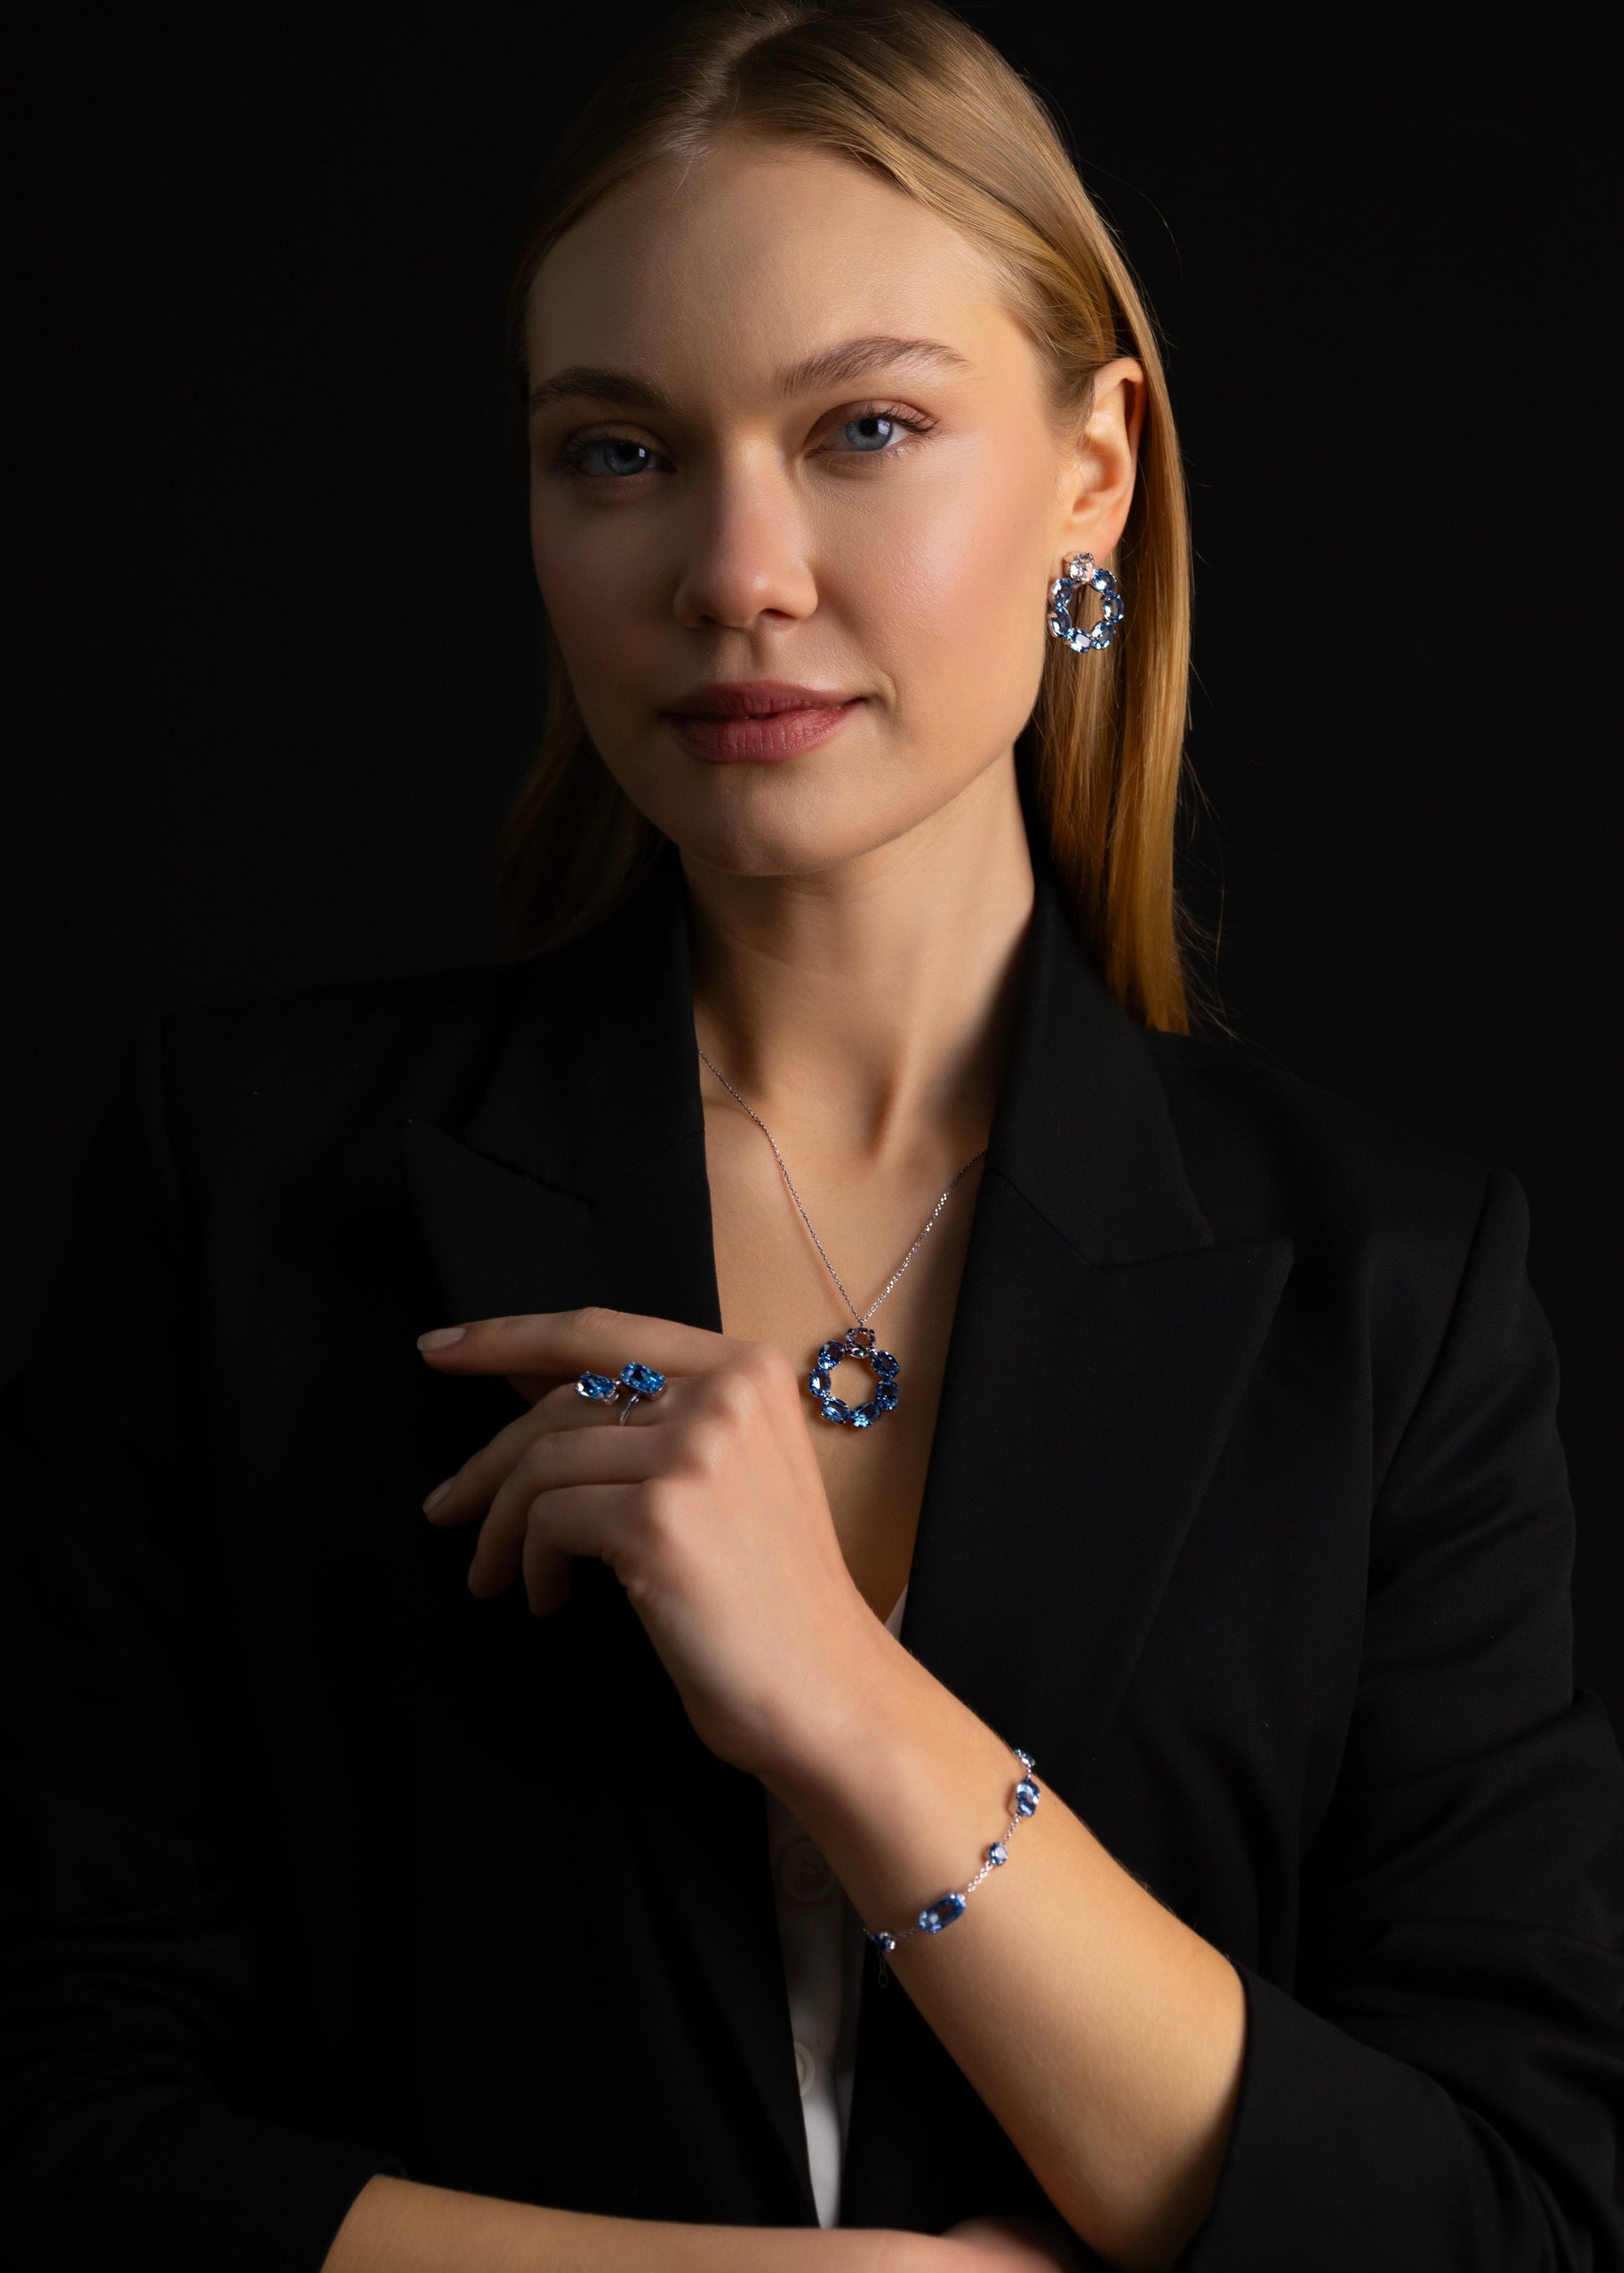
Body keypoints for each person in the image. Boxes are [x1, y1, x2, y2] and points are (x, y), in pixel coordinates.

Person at [3, 2, 1621, 2267]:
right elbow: (59, 2137)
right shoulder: (250, 1187)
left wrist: (847, 1703)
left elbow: (1504, 2222)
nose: (734, 569)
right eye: (618, 451)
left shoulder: (1394, 1296)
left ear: (1092, 476)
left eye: (863, 428)